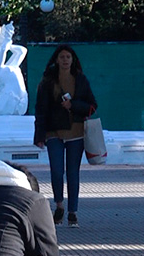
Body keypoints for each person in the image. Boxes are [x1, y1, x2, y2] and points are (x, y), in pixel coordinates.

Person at [33, 45, 98, 228]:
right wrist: (39, 135)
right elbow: (40, 109)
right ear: (56, 60)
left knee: (72, 173)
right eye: (62, 57)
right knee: (56, 170)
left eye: (68, 57)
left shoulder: (80, 79)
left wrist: (74, 105)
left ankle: (72, 212)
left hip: (76, 132)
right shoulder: (47, 81)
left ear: (73, 59)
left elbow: (92, 104)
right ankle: (59, 205)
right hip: (54, 132)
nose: (65, 60)